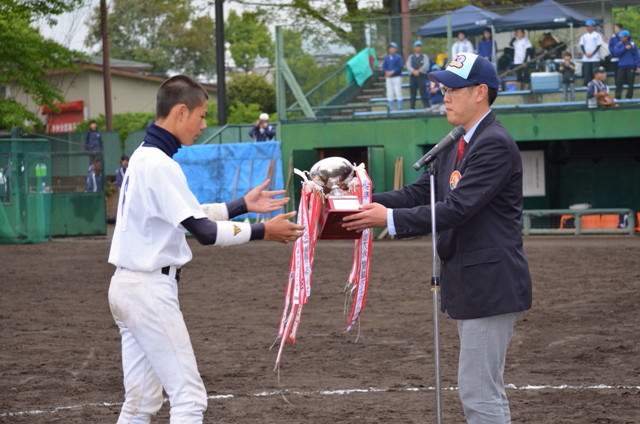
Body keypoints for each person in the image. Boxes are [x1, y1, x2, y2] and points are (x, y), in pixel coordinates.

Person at [343, 52, 532, 424]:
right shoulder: (457, 142)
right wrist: (357, 198)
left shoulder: (492, 143)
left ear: (480, 92)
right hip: (470, 282)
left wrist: (389, 219)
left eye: (452, 88)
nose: (442, 95)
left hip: (491, 285)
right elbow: (420, 193)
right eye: (442, 87)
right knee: (479, 388)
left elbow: (458, 208)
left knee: (479, 392)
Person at [107, 75, 304, 424]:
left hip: (127, 287)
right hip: (149, 290)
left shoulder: (142, 156)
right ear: (181, 112)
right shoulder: (160, 164)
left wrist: (242, 204)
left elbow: (186, 217)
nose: (204, 124)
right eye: (201, 115)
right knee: (188, 399)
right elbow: (205, 233)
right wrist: (264, 231)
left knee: (141, 402)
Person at [612, 30, 640, 100]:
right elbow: (616, 53)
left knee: (630, 82)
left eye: (622, 37)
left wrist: (638, 65)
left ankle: (629, 97)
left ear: (627, 37)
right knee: (619, 82)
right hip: (621, 66)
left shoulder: (632, 44)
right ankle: (617, 96)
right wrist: (624, 48)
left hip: (631, 66)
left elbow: (636, 55)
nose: (621, 38)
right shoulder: (619, 44)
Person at [406, 40, 431, 110]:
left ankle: (427, 106)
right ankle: (412, 107)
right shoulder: (411, 57)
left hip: (421, 76)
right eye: (416, 47)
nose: (418, 48)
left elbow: (426, 65)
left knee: (423, 92)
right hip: (413, 76)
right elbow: (408, 65)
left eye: (419, 47)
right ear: (414, 48)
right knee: (412, 92)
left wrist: (419, 71)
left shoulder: (424, 56)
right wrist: (413, 71)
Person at [579, 20, 604, 86]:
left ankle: (596, 85)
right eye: (587, 26)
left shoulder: (597, 35)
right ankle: (587, 85)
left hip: (595, 58)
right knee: (586, 73)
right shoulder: (584, 36)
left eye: (589, 26)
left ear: (593, 27)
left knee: (595, 73)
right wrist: (585, 53)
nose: (588, 28)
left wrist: (592, 54)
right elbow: (582, 45)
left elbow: (599, 45)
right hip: (586, 58)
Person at [382, 42, 404, 110]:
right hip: (389, 77)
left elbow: (400, 67)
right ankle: (391, 107)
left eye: (393, 48)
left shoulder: (398, 57)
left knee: (398, 91)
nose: (391, 49)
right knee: (389, 92)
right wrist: (386, 72)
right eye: (390, 48)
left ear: (396, 49)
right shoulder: (386, 58)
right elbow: (384, 67)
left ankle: (399, 106)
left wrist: (392, 72)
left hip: (396, 76)